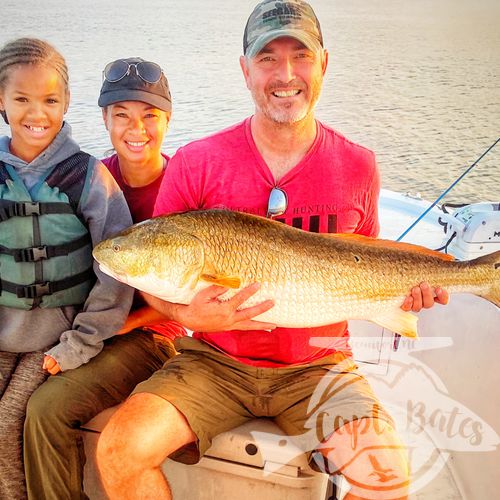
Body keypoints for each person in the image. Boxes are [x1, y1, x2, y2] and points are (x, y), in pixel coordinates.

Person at [96, 2, 449, 499]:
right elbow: (163, 285)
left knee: (387, 478)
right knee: (119, 451)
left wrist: (411, 293)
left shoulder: (359, 165)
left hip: (320, 364)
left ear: (323, 63)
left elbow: (368, 263)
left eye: (300, 55)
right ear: (245, 70)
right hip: (213, 361)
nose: (285, 75)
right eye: (267, 58)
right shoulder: (197, 162)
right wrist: (185, 311)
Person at [22, 58, 189, 499]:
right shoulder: (88, 179)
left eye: (149, 115)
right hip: (82, 328)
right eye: (122, 116)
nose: (137, 129)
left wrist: (102, 333)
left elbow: (190, 298)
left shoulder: (185, 187)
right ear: (104, 120)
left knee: (45, 408)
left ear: (168, 119)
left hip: (150, 335)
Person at [0, 38, 134, 499]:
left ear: (66, 102)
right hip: (3, 334)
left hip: (57, 342)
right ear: (1, 101)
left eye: (50, 100)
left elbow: (117, 272)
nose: (37, 113)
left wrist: (80, 342)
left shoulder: (87, 177)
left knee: (8, 426)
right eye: (21, 99)